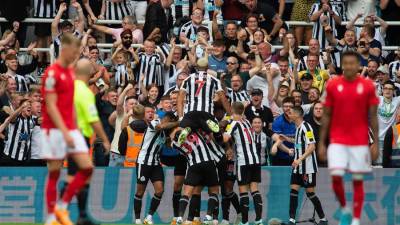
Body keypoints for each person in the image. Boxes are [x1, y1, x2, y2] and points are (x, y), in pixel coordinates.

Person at [319, 51, 379, 225]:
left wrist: (375, 143)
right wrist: (322, 142)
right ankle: (345, 208)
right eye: (346, 63)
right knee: (336, 176)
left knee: (357, 179)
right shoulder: (332, 85)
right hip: (337, 139)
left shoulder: (368, 86)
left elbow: (373, 116)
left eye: (353, 63)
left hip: (360, 140)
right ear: (342, 65)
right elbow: (327, 114)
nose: (349, 66)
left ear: (358, 66)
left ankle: (356, 220)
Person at [41, 34, 94, 225]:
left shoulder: (70, 73)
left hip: (70, 129)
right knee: (54, 172)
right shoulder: (52, 73)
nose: (75, 55)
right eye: (74, 51)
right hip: (53, 130)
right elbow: (51, 105)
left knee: (87, 167)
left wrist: (74, 129)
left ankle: (62, 207)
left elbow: (69, 105)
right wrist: (65, 131)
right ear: (64, 49)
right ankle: (51, 218)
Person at [61, 58, 111, 225]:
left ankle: (80, 215)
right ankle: (63, 213)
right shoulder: (85, 92)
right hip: (78, 136)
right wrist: (105, 140)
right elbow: (93, 120)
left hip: (70, 135)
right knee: (81, 174)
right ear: (89, 73)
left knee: (78, 175)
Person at [279, 106, 327, 225]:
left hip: (307, 167)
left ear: (297, 115)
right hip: (298, 167)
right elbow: (299, 143)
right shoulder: (298, 128)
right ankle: (291, 219)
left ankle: (323, 218)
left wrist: (299, 159)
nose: (288, 115)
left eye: (290, 113)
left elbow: (312, 146)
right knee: (293, 191)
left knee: (310, 193)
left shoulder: (307, 127)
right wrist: (287, 139)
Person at [134, 112, 179, 225]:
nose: (171, 123)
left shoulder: (164, 133)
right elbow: (161, 127)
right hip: (143, 162)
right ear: (166, 118)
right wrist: (178, 122)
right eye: (170, 120)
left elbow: (169, 144)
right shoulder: (155, 123)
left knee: (159, 190)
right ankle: (137, 219)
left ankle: (148, 217)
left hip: (155, 163)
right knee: (140, 192)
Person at [223, 102, 262, 225]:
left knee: (243, 192)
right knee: (255, 190)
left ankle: (244, 222)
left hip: (243, 161)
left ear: (233, 112)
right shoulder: (246, 122)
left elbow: (225, 138)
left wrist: (221, 129)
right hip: (255, 160)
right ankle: (258, 220)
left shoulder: (234, 123)